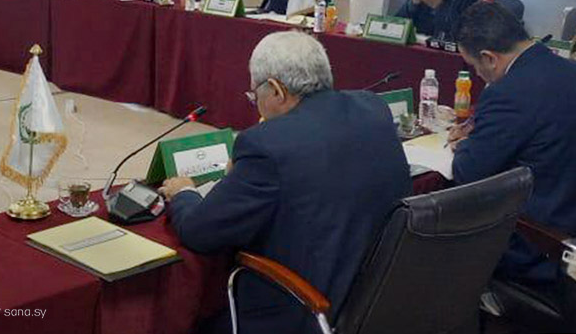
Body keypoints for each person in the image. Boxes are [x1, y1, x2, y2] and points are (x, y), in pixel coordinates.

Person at [159, 32, 409, 333]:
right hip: (378, 302)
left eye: (254, 96)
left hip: (305, 312)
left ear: (277, 90)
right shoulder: (372, 108)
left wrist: (184, 192)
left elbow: (201, 232)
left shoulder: (265, 145)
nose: (256, 105)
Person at [449, 2, 576, 287]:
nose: (477, 75)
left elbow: (467, 173)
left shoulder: (508, 92)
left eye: (474, 66)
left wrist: (467, 142)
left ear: (489, 58)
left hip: (535, 245)